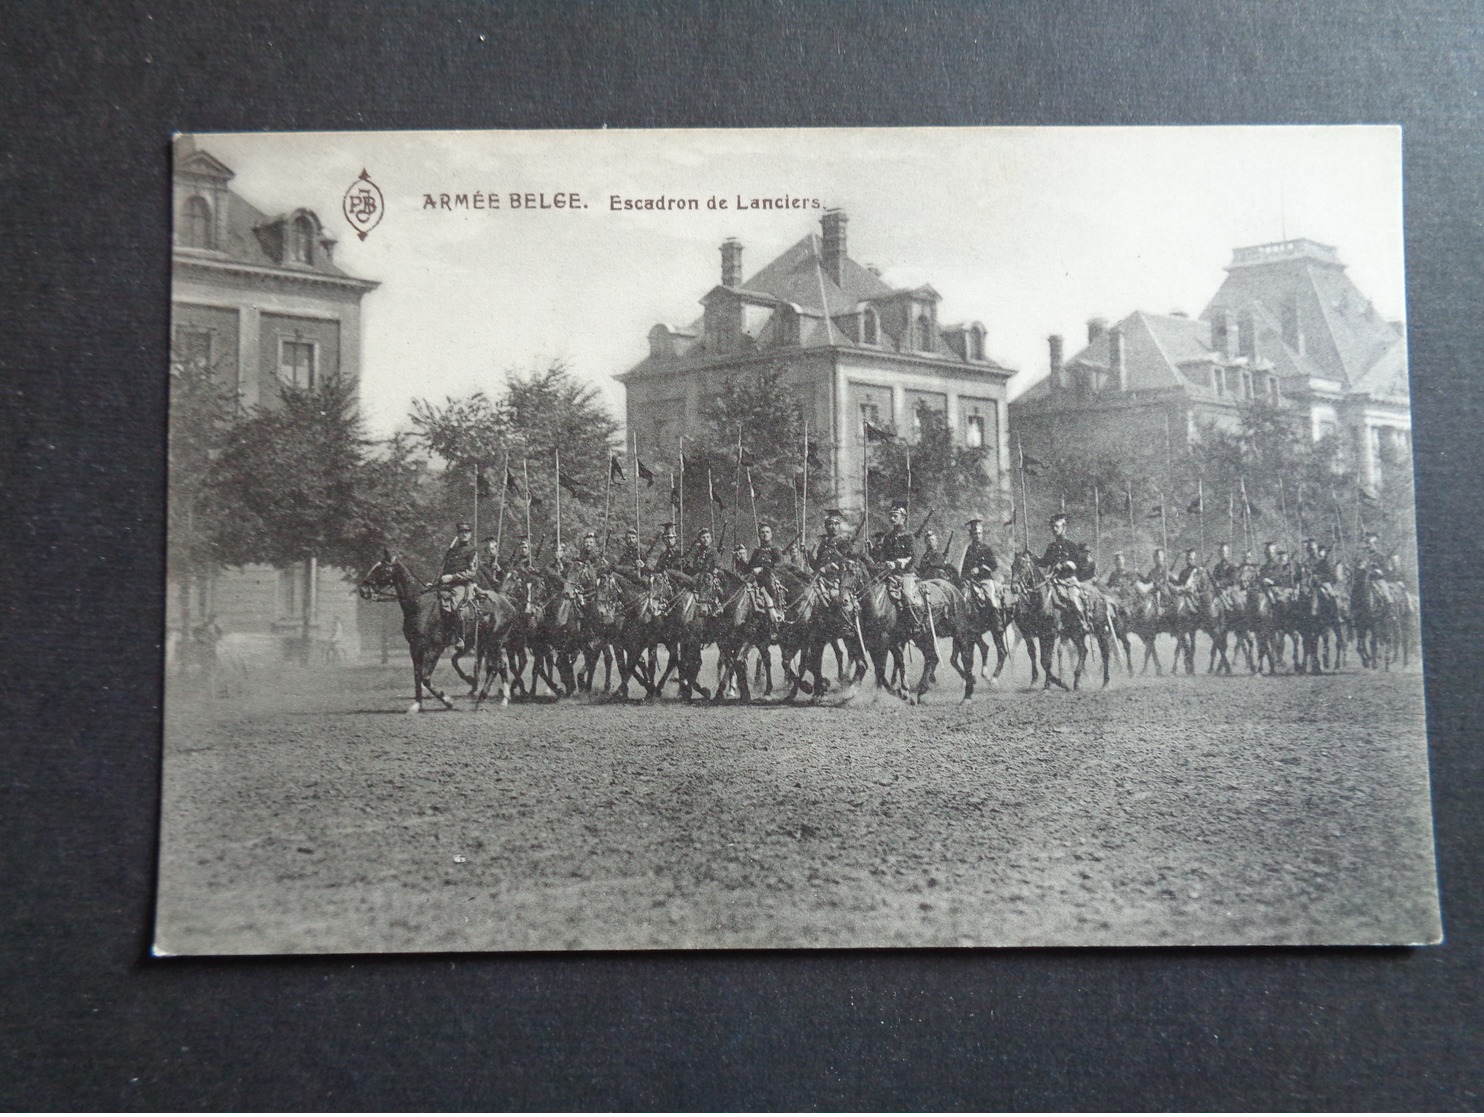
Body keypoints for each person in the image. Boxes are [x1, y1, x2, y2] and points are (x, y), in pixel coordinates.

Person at [1038, 512, 1091, 625]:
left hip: (1068, 580)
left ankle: (1083, 621)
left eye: (1057, 526)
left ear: (1064, 528)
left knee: (1073, 598)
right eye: (1052, 527)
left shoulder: (1071, 545)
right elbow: (1044, 562)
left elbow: (1079, 564)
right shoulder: (1051, 546)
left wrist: (1064, 565)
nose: (1054, 529)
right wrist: (1032, 558)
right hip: (1054, 580)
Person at [438, 521, 480, 652]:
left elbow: (472, 572)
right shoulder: (452, 551)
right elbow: (444, 569)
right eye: (461, 532)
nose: (464, 534)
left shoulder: (472, 550)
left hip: (462, 585)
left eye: (467, 532)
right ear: (458, 534)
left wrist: (453, 577)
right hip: (446, 585)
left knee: (456, 605)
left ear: (470, 534)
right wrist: (436, 583)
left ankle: (460, 638)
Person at [877, 500, 915, 572]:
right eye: (891, 516)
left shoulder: (908, 536)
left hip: (905, 574)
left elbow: (911, 558)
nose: (892, 518)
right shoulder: (888, 537)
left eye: (895, 516)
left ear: (903, 518)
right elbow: (883, 556)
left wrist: (896, 564)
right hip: (888, 572)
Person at [812, 509, 854, 573]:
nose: (834, 527)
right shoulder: (822, 542)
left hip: (838, 576)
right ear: (826, 526)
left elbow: (846, 562)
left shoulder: (845, 542)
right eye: (830, 524)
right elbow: (817, 563)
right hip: (821, 574)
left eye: (836, 524)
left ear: (839, 526)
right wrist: (807, 554)